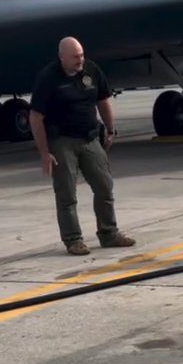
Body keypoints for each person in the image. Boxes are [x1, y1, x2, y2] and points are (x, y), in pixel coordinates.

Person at [28, 36, 135, 255]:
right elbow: (36, 116)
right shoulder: (49, 78)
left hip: (89, 137)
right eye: (75, 57)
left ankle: (109, 233)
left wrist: (110, 129)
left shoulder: (91, 71)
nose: (80, 60)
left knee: (104, 185)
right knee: (66, 193)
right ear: (62, 57)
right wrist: (44, 153)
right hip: (62, 142)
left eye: (82, 55)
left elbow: (103, 99)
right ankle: (73, 239)